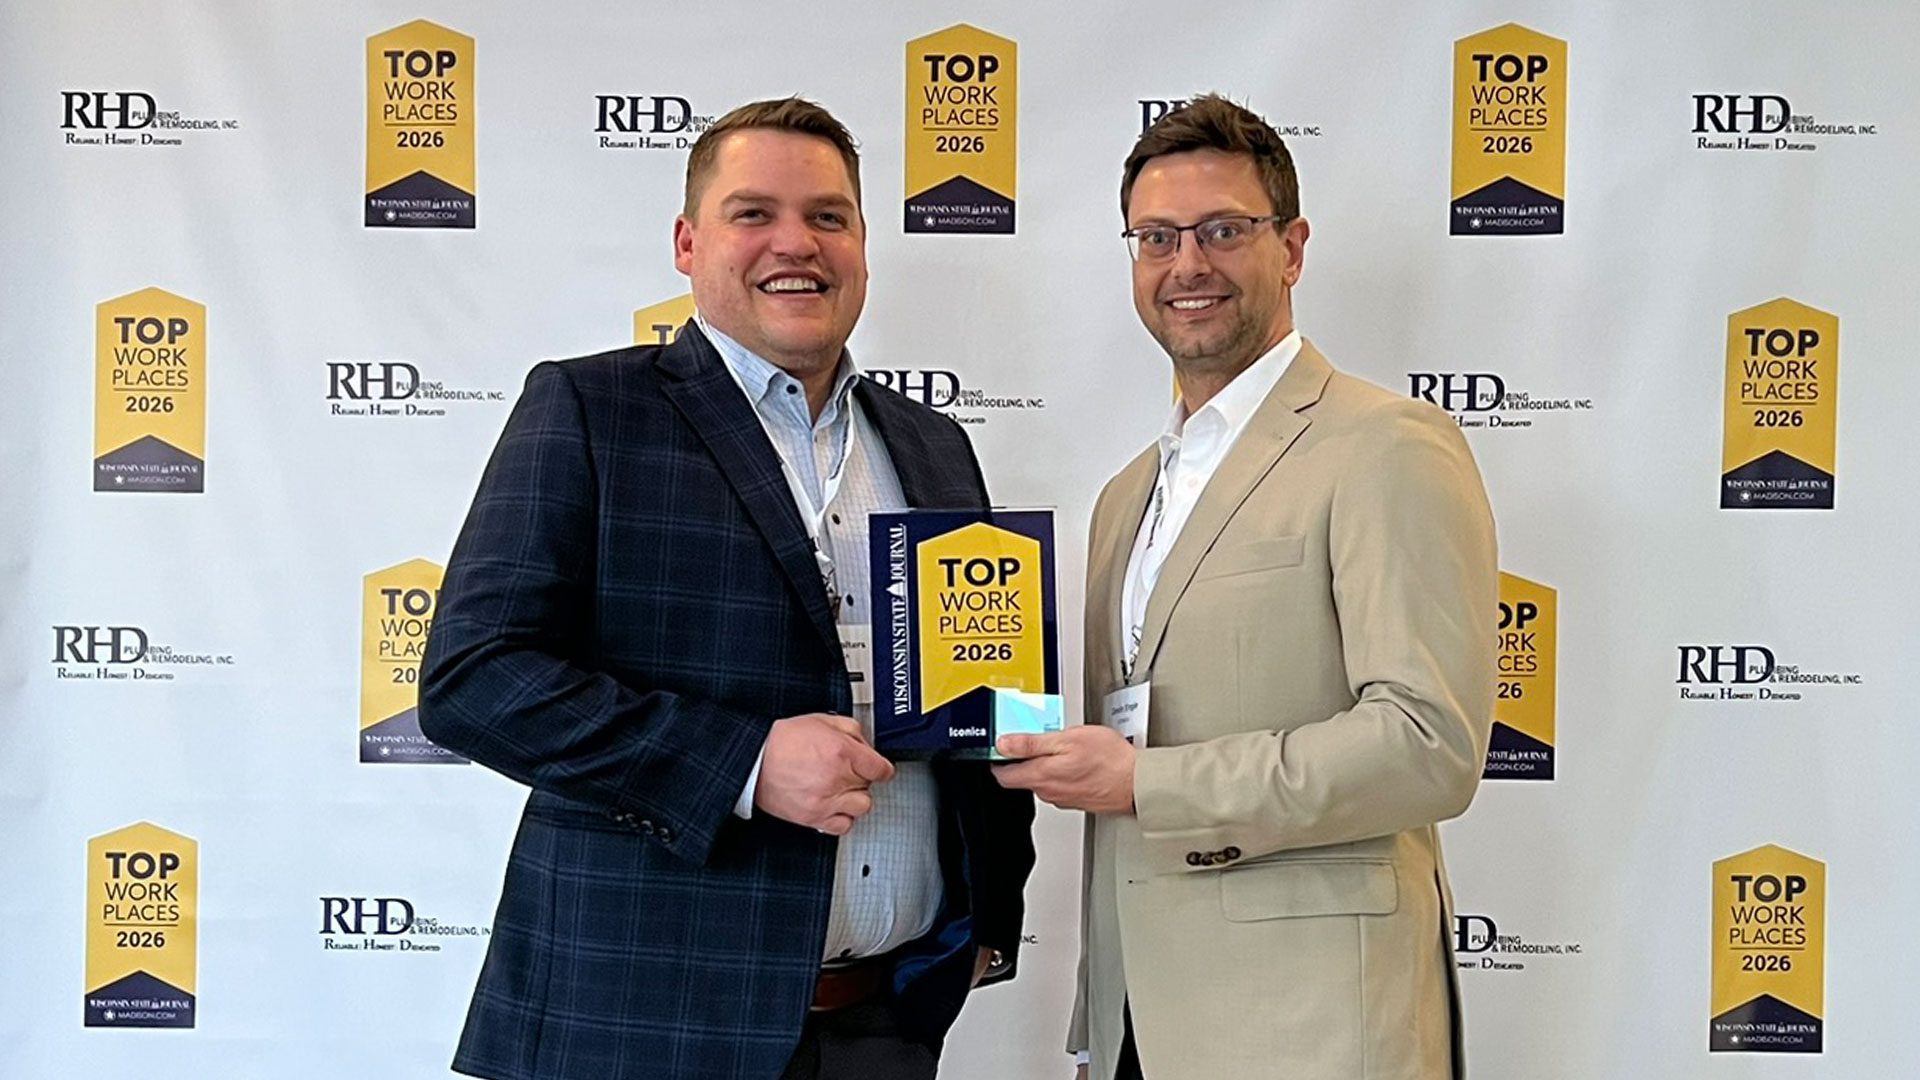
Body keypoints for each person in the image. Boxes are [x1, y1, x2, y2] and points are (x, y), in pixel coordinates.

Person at [420, 97, 1035, 1080]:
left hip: (888, 1022)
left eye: (829, 216)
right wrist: (744, 763)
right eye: (754, 213)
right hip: (644, 1026)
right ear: (687, 241)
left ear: (865, 242)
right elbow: (473, 681)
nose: (796, 243)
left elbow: (978, 701)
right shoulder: (591, 410)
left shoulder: (934, 446)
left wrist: (993, 905)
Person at [993, 95, 1497, 1079]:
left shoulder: (1385, 444)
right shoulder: (1125, 495)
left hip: (1314, 1029)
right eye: (1157, 237)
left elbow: (1429, 745)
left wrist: (1149, 782)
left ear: (1293, 247)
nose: (1189, 264)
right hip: (1142, 1019)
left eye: (1225, 230)